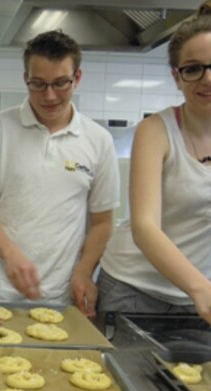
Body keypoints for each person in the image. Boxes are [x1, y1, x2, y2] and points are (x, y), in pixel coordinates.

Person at [0, 30, 120, 319]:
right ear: (26, 79)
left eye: (60, 83)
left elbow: (102, 222)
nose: (49, 96)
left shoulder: (98, 141)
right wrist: (10, 253)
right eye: (38, 84)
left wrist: (84, 272)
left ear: (78, 77)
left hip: (61, 296)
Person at [97, 1, 211, 326]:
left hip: (196, 295)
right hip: (133, 289)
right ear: (177, 77)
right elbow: (145, 227)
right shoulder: (156, 131)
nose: (207, 79)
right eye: (193, 68)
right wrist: (201, 288)